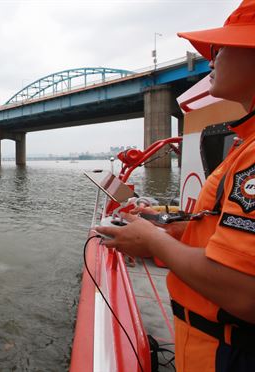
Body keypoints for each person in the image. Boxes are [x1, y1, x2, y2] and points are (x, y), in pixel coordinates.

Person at [96, 1, 255, 371]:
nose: (210, 60)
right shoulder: (245, 144)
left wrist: (153, 242)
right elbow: (219, 228)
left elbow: (243, 289)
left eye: (221, 48)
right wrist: (168, 225)